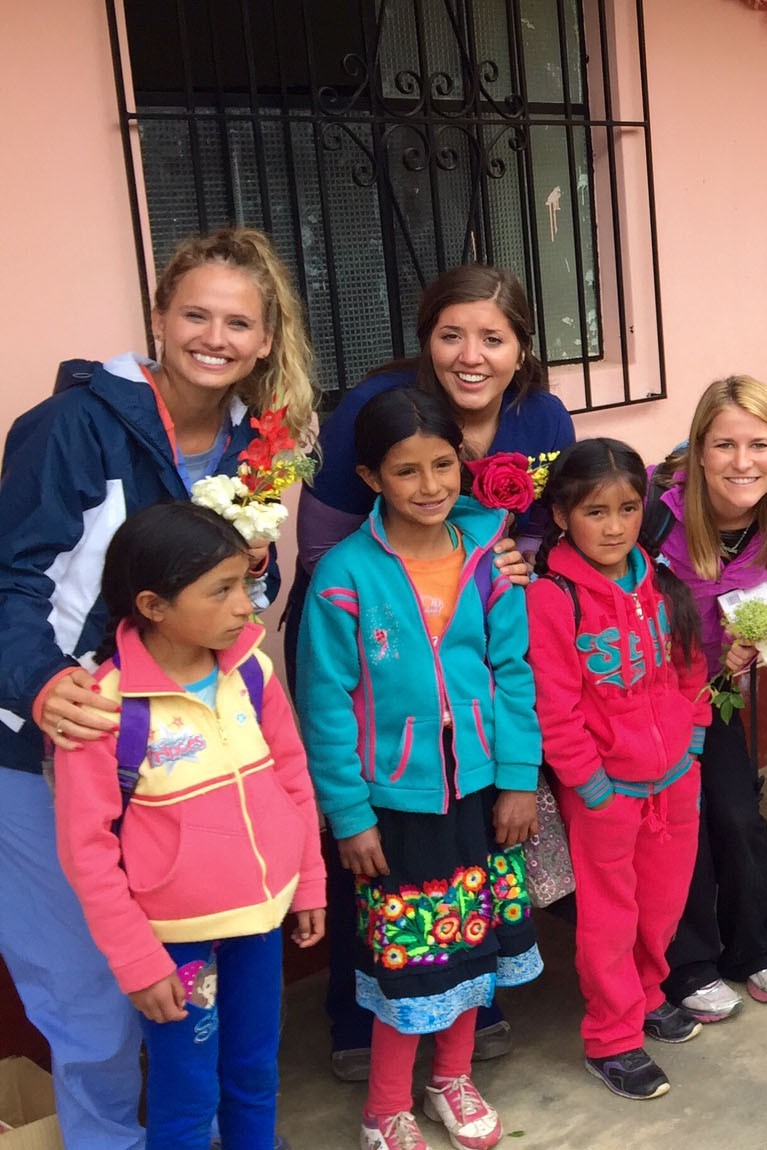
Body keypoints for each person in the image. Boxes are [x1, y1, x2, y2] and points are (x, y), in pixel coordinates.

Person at [0, 225, 316, 1150]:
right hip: (55, 740)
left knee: (196, 982)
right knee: (88, 996)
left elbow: (247, 591)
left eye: (238, 322)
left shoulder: (258, 445)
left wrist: (255, 579)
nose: (213, 337)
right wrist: (42, 683)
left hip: (193, 748)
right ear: (159, 319)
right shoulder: (69, 429)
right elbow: (11, 584)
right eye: (195, 315)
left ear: (265, 339)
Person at [289, 265, 570, 1078]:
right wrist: (388, 606)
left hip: (478, 657)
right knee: (377, 867)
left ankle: (471, 1013)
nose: (471, 355)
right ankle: (358, 1016)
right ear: (425, 343)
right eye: (451, 335)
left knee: (478, 859)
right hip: (376, 667)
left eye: (493, 337)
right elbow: (320, 554)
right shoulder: (372, 419)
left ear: (522, 348)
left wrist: (517, 564)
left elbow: (556, 525)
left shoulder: (542, 416)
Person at [297, 387, 543, 1150]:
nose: (431, 486)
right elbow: (327, 705)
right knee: (409, 961)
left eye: (444, 465)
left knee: (473, 944)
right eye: (408, 471)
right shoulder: (343, 577)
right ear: (372, 478)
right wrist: (350, 814)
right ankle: (385, 1106)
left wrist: (517, 776)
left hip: (478, 791)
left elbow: (513, 670)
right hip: (395, 804)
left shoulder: (489, 558)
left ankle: (452, 1079)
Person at [55, 503, 324, 1150]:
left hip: (259, 926)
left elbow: (292, 778)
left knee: (255, 1074)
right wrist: (137, 961)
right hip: (176, 949)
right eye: (223, 590)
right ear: (152, 605)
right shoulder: (104, 709)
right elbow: (86, 852)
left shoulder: (251, 672)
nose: (245, 606)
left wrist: (309, 881)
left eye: (245, 584)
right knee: (187, 1092)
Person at [529, 439, 712, 1100]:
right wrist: (592, 786)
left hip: (674, 781)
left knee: (662, 905)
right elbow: (555, 705)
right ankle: (612, 1036)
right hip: (605, 793)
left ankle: (647, 994)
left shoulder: (659, 581)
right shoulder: (551, 599)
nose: (613, 526)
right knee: (610, 917)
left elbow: (690, 666)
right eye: (594, 512)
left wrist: (693, 742)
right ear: (560, 516)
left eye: (627, 508)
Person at [649, 377, 767, 1017]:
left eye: (757, 445)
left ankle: (753, 947)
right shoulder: (651, 505)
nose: (741, 463)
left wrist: (760, 638)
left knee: (738, 815)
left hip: (718, 693)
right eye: (723, 445)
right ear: (698, 449)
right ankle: (688, 963)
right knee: (680, 824)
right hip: (649, 699)